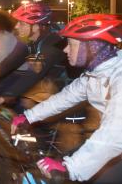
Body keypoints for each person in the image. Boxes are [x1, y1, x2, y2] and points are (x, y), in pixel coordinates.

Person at [11, 14, 122, 183]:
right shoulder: (95, 75)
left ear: (92, 47)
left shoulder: (119, 77)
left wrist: (72, 168)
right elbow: (65, 97)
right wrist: (29, 116)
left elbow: (115, 133)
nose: (65, 49)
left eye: (71, 44)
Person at [0, 3, 67, 111]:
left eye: (22, 23)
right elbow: (12, 60)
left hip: (66, 93)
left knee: (26, 104)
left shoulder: (51, 44)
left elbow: (33, 74)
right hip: (50, 86)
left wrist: (6, 96)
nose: (17, 26)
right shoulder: (34, 42)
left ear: (35, 27)